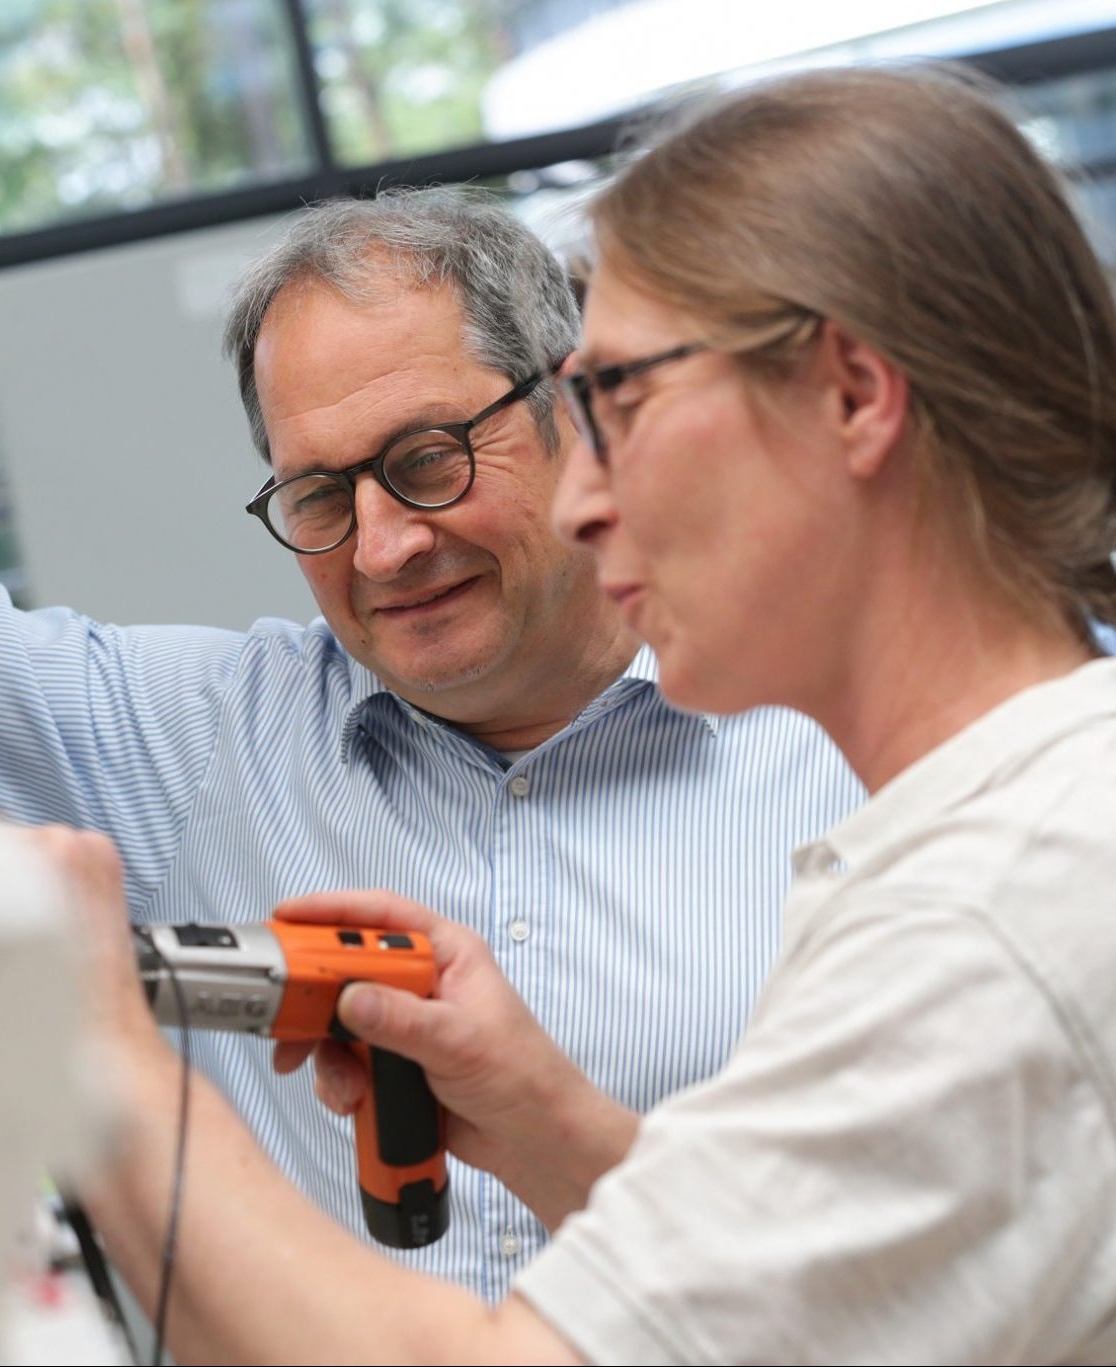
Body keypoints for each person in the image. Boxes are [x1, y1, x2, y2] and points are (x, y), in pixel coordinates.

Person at [40, 56, 1116, 1364]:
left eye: (618, 402)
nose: (592, 497)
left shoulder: (990, 910)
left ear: (850, 394)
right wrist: (550, 1116)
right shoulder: (992, 841)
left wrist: (86, 1049)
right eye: (321, 496)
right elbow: (772, 1310)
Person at [0, 188, 860, 1296]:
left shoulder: (840, 744)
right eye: (318, 494)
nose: (385, 546)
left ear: (572, 407)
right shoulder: (197, 736)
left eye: (427, 456)